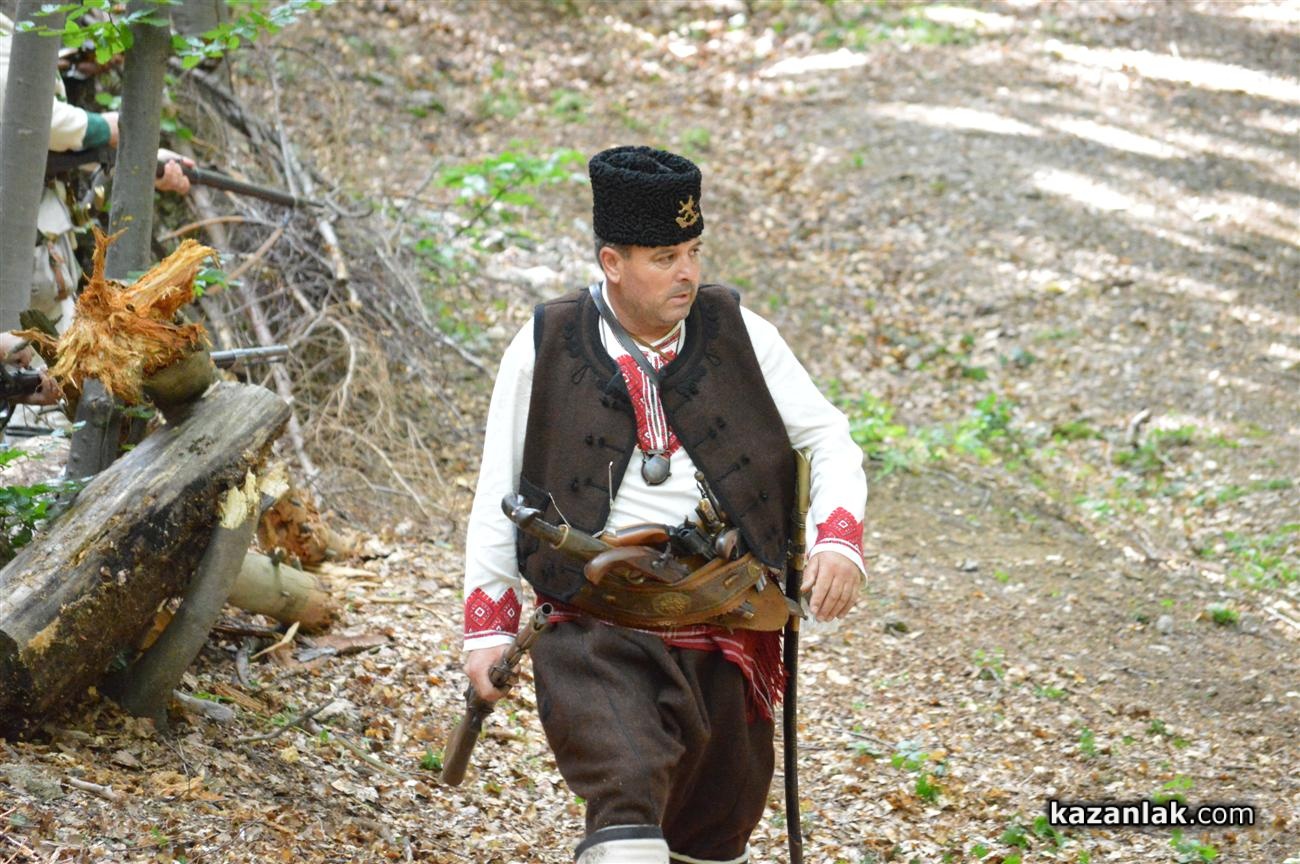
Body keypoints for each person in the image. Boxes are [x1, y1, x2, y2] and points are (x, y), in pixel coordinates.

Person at [460, 146, 868, 864]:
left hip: (729, 626)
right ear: (612, 262)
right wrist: (487, 628)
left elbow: (829, 438)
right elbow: (501, 493)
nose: (687, 273)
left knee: (713, 839)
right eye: (664, 258)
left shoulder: (744, 335)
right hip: (595, 630)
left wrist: (838, 539)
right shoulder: (545, 344)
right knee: (627, 815)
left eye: (693, 252)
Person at [0, 12, 193, 335]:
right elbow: (34, 117)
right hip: (19, 254)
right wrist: (109, 128)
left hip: (37, 251)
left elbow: (37, 147)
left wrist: (145, 161)